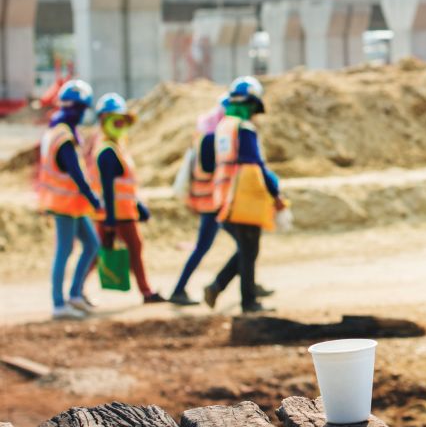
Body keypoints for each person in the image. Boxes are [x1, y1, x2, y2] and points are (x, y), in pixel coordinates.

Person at [169, 99, 276, 306]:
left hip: (217, 201)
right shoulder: (223, 137)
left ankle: (231, 286)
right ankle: (187, 288)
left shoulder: (211, 137)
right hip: (218, 203)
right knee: (239, 247)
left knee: (245, 247)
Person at [203, 76, 284, 314]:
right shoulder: (245, 129)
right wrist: (274, 190)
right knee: (249, 250)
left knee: (246, 249)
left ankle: (217, 286)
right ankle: (248, 302)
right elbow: (254, 165)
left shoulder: (224, 127)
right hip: (244, 198)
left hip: (225, 196)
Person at [86, 93, 166, 304]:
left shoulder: (115, 149)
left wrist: (138, 205)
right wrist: (111, 220)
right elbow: (108, 189)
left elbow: (124, 185)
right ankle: (146, 292)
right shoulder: (107, 152)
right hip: (115, 213)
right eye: (114, 119)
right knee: (127, 249)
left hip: (121, 211)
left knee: (100, 251)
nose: (119, 124)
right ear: (104, 121)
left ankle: (77, 291)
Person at [37, 79, 102, 320]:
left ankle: (75, 294)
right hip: (64, 203)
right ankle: (58, 303)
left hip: (72, 204)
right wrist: (94, 199)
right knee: (64, 250)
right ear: (77, 109)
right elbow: (75, 174)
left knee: (92, 244)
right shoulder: (63, 136)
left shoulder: (58, 131)